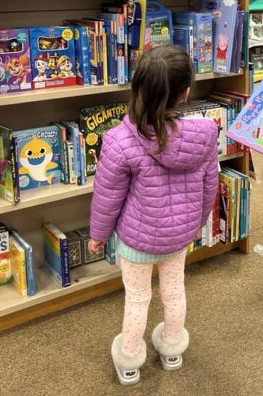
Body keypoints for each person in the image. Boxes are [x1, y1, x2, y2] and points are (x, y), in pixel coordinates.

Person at [89, 45, 219, 385]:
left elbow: (107, 197)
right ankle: (172, 350)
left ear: (137, 89)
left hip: (136, 241)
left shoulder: (119, 140)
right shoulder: (205, 135)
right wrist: (196, 223)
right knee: (174, 292)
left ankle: (130, 360)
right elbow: (209, 187)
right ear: (186, 91)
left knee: (138, 298)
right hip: (179, 239)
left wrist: (98, 235)